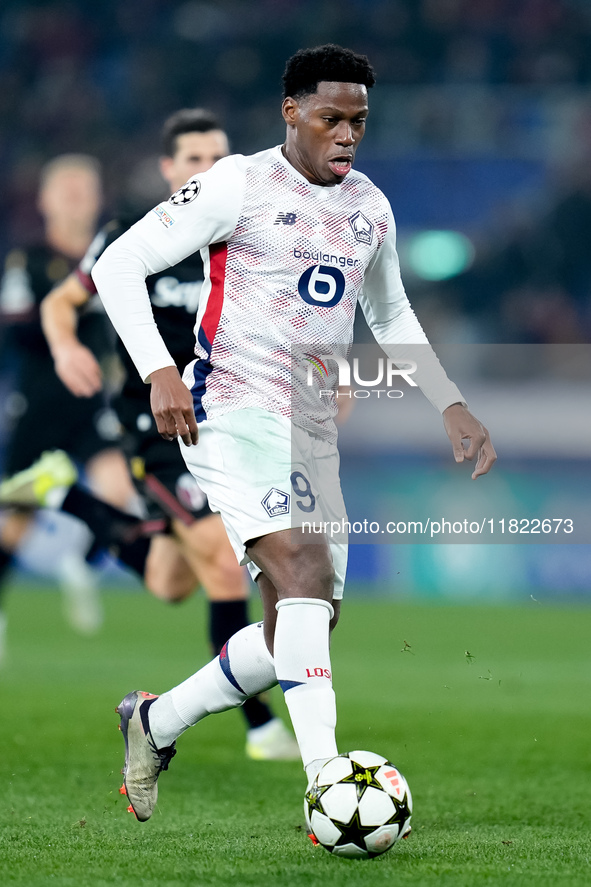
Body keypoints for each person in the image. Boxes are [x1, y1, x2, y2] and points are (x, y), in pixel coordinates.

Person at [92, 44, 497, 823]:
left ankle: (156, 719)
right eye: (331, 118)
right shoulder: (237, 184)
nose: (346, 135)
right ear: (290, 113)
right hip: (228, 409)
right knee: (303, 571)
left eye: (359, 122)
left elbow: (390, 312)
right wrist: (157, 368)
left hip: (307, 428)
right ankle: (328, 782)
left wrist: (447, 400)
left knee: (302, 623)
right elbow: (119, 265)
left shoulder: (369, 207)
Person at [12, 109, 297, 761]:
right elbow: (62, 302)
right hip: (157, 424)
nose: (211, 170)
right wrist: (62, 347)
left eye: (221, 158)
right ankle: (259, 727)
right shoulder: (132, 234)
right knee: (227, 566)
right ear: (169, 170)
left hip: (229, 421)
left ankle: (67, 495)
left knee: (171, 580)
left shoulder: (251, 238)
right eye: (194, 159)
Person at [0, 154, 141, 639]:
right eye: (66, 188)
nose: (77, 197)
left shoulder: (117, 259)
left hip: (92, 408)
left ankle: (82, 566)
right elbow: (18, 328)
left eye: (85, 188)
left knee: (120, 489)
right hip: (39, 407)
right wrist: (71, 325)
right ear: (44, 200)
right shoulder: (29, 262)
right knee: (16, 521)